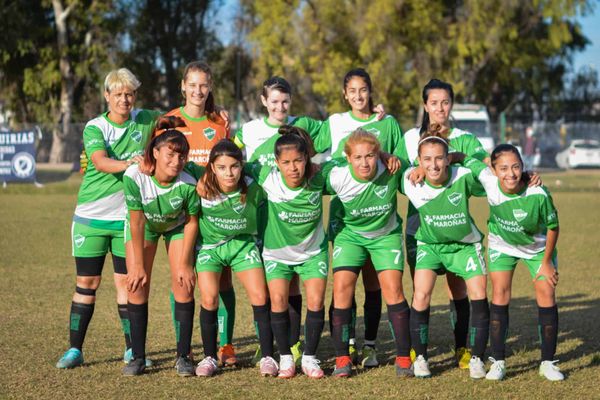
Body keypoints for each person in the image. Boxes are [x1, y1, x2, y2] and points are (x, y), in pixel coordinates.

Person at [56, 68, 160, 369]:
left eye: (129, 94)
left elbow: (179, 118)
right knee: (87, 282)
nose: (124, 99)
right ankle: (75, 350)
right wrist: (130, 163)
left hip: (126, 220)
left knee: (127, 284)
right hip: (90, 217)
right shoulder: (94, 127)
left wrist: (214, 109)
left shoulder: (146, 119)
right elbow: (99, 161)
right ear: (107, 96)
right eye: (118, 94)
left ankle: (132, 350)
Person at [314, 68, 407, 367]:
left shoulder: (387, 122)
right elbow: (311, 144)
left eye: (363, 90)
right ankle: (348, 345)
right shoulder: (335, 122)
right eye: (352, 91)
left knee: (374, 285)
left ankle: (370, 345)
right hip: (346, 218)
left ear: (370, 91)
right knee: (344, 283)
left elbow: (398, 158)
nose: (357, 96)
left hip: (380, 215)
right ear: (344, 94)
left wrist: (389, 157)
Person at [233, 76, 325, 365]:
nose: (280, 106)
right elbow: (232, 152)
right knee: (270, 286)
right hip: (262, 213)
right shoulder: (250, 129)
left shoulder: (305, 125)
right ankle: (268, 342)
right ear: (264, 101)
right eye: (274, 101)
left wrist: (376, 112)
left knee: (294, 281)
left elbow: (339, 134)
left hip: (294, 212)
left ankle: (293, 342)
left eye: (285, 101)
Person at [402, 79, 490, 369]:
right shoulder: (409, 137)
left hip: (454, 224)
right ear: (425, 105)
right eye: (434, 102)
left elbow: (480, 166)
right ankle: (420, 353)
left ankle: (463, 349)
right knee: (421, 291)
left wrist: (453, 156)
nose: (440, 107)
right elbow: (400, 172)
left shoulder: (465, 137)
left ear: (451, 104)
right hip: (420, 226)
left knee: (458, 290)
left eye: (445, 102)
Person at [463, 144, 562, 381]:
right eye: (504, 168)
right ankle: (498, 361)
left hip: (537, 249)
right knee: (500, 294)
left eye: (516, 167)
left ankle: (547, 363)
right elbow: (464, 158)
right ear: (494, 170)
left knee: (546, 294)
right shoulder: (487, 179)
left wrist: (546, 262)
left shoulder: (538, 193)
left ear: (524, 167)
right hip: (502, 246)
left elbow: (553, 227)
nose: (511, 173)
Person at [163, 61, 238, 367]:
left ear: (210, 87)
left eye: (203, 85)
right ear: (183, 86)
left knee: (221, 281)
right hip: (179, 213)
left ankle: (226, 344)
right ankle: (187, 347)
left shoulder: (220, 121)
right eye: (192, 85)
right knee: (183, 279)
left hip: (214, 213)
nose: (197, 90)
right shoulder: (168, 120)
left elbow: (229, 160)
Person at [324, 129, 411, 378]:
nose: (365, 162)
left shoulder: (392, 168)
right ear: (349, 158)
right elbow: (310, 178)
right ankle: (342, 358)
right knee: (342, 288)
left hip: (385, 236)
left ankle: (403, 358)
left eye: (371, 156)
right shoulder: (338, 175)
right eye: (358, 157)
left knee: (392, 289)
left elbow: (420, 172)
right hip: (350, 235)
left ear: (378, 155)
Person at [247, 126, 329, 378]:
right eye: (286, 162)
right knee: (279, 302)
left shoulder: (319, 177)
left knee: (316, 301)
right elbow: (230, 162)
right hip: (277, 254)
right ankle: (284, 357)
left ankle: (310, 358)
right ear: (277, 162)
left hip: (313, 252)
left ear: (307, 160)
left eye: (298, 161)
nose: (293, 168)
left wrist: (384, 157)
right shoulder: (266, 176)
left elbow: (350, 163)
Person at [192, 139, 277, 377]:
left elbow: (274, 166)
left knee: (261, 295)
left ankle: (268, 355)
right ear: (211, 168)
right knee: (209, 299)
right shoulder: (202, 185)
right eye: (221, 167)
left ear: (242, 165)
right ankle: (209, 357)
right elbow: (182, 166)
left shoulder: (253, 183)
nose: (229, 173)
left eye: (234, 166)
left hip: (242, 245)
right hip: (211, 248)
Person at [122, 119, 199, 376]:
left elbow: (191, 223)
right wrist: (136, 266)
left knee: (184, 283)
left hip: (177, 227)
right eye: (170, 154)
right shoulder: (135, 176)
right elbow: (136, 221)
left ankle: (183, 357)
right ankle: (138, 357)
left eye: (181, 155)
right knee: (136, 284)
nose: (176, 161)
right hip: (144, 227)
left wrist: (186, 264)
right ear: (155, 153)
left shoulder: (188, 183)